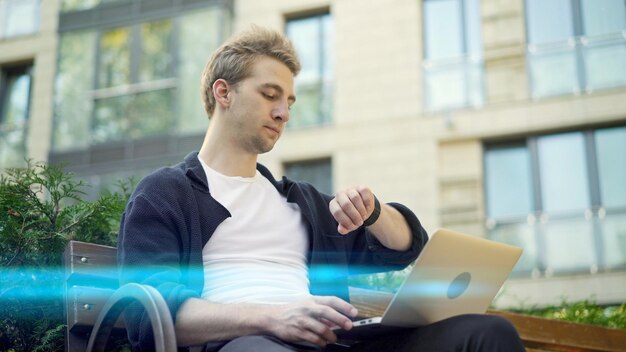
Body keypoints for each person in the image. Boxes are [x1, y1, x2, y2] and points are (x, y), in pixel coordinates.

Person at [117, 26, 525, 352]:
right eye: (270, 95)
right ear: (223, 92)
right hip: (245, 343)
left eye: (290, 101)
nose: (283, 112)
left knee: (486, 335)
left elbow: (405, 247)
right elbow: (151, 314)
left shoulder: (301, 203)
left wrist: (374, 212)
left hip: (331, 342)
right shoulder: (167, 193)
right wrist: (272, 317)